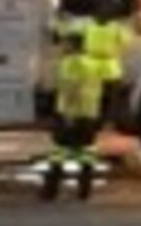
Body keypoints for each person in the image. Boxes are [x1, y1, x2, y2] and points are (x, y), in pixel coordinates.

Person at [41, 12, 111, 202]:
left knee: (59, 153)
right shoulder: (94, 64)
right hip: (90, 113)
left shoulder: (69, 64)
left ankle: (51, 190)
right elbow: (101, 89)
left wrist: (67, 115)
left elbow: (72, 89)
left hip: (70, 114)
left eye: (66, 43)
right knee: (86, 154)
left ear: (73, 45)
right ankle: (84, 190)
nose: (64, 46)